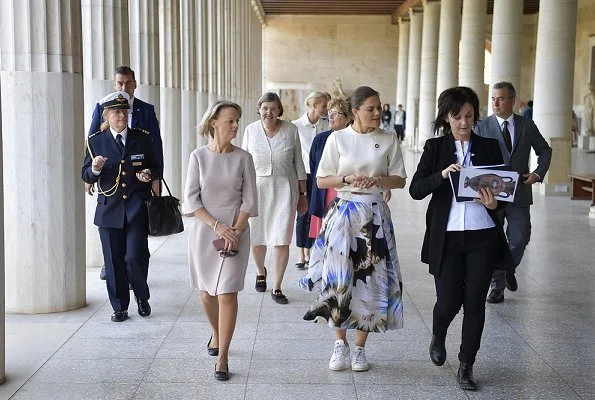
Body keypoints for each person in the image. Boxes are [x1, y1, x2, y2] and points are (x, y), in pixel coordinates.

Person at [409, 86, 513, 391]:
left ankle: (467, 364)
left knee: (475, 302)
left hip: (483, 235)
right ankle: (438, 332)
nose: (464, 123)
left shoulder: (490, 146)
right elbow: (416, 190)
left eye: (469, 116)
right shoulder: (434, 148)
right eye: (458, 117)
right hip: (448, 237)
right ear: (446, 117)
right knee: (449, 300)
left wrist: (495, 203)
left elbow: (505, 189)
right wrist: (441, 176)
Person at [298, 86, 407, 373]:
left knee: (371, 280)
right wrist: (345, 178)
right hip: (344, 211)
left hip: (375, 216)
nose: (377, 113)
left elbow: (400, 180)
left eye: (379, 107)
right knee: (340, 279)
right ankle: (339, 344)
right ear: (355, 111)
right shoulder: (338, 139)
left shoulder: (388, 138)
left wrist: (380, 181)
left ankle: (360, 349)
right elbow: (322, 180)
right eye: (370, 108)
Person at [182, 100, 258, 381]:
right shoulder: (198, 157)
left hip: (236, 231)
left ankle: (223, 355)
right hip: (206, 231)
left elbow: (250, 199)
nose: (236, 126)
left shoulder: (244, 158)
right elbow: (191, 199)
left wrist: (234, 231)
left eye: (237, 120)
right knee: (206, 295)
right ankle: (215, 332)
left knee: (227, 293)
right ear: (214, 122)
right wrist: (217, 226)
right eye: (230, 120)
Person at [81, 91, 160, 322]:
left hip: (136, 209)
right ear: (106, 115)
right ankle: (120, 306)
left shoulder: (142, 138)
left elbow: (155, 167)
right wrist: (94, 169)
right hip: (108, 210)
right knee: (114, 261)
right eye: (116, 112)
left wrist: (149, 174)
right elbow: (85, 174)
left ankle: (141, 296)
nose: (121, 116)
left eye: (124, 111)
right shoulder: (95, 141)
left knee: (135, 257)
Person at [475, 81, 552, 304]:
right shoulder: (482, 126)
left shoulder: (527, 125)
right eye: (493, 98)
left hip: (519, 193)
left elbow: (544, 150)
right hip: (492, 196)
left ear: (512, 101)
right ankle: (497, 287)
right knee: (492, 241)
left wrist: (538, 173)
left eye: (500, 98)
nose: (495, 103)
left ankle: (506, 269)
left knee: (520, 238)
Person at [88, 66, 164, 281]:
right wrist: (90, 174)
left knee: (138, 233)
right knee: (112, 226)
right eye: (120, 83)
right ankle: (111, 264)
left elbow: (155, 146)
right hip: (112, 178)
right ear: (114, 84)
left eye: (128, 83)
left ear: (135, 84)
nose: (124, 87)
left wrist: (156, 177)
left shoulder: (145, 110)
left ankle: (137, 276)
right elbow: (92, 139)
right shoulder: (102, 106)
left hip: (139, 180)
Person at [242, 92, 308, 304]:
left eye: (273, 108)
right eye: (265, 108)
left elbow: (299, 163)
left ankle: (277, 286)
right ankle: (261, 271)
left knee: (282, 239)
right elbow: (242, 163)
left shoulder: (291, 130)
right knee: (257, 237)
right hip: (257, 189)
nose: (268, 112)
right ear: (259, 110)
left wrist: (303, 195)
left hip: (285, 189)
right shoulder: (250, 130)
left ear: (280, 110)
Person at [292, 92, 330, 269]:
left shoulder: (327, 125)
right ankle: (301, 253)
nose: (326, 109)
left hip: (321, 175)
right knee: (303, 214)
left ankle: (312, 249)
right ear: (314, 105)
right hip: (303, 175)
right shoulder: (296, 126)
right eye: (324, 105)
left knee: (316, 213)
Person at [308, 97, 353, 239]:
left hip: (345, 193)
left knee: (342, 237)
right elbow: (314, 167)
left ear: (347, 119)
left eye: (335, 114)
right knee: (323, 239)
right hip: (323, 193)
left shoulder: (354, 140)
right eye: (329, 113)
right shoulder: (320, 139)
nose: (330, 117)